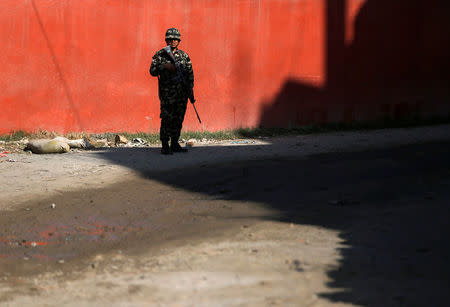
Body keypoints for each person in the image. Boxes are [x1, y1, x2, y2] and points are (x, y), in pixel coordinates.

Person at [149, 28, 194, 155]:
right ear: (166, 40)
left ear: (178, 41)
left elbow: (190, 75)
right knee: (167, 119)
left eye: (175, 39)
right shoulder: (160, 55)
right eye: (170, 39)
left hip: (181, 94)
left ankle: (174, 143)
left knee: (178, 118)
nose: (173, 41)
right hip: (167, 94)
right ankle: (165, 144)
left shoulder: (184, 56)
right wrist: (164, 66)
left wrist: (190, 91)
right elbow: (152, 71)